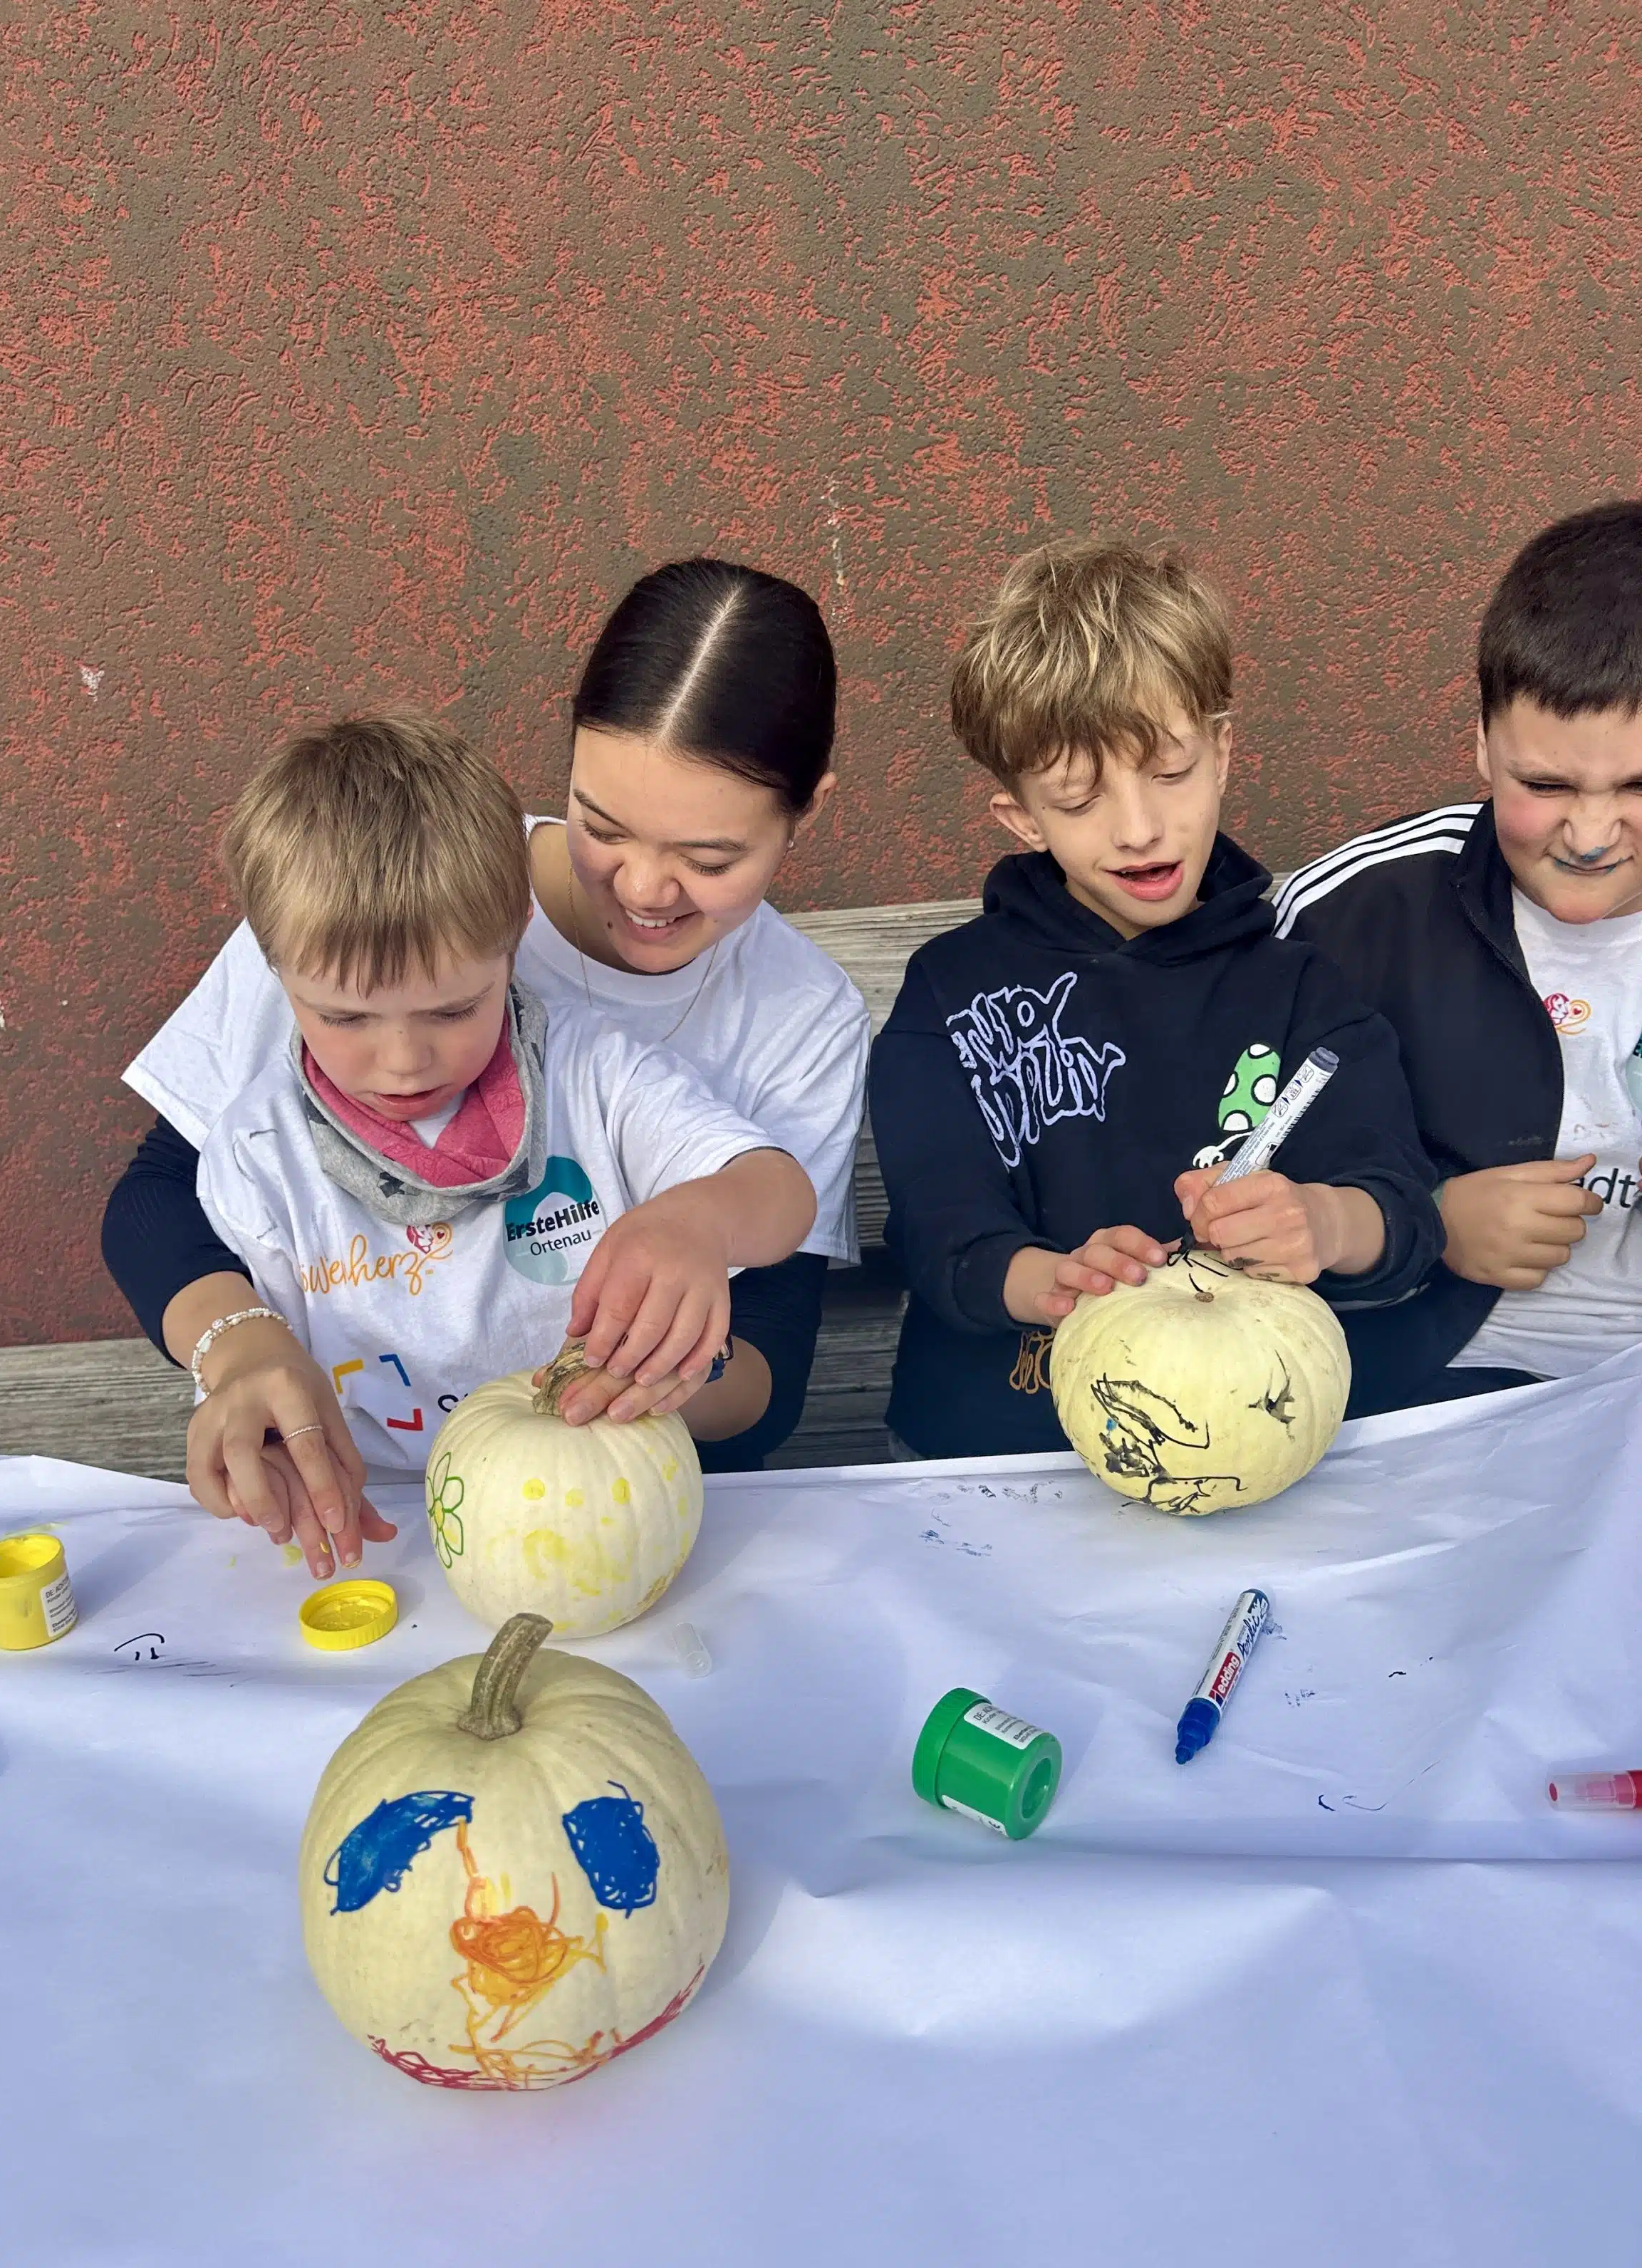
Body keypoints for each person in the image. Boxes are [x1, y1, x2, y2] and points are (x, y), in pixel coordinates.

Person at [103, 559, 869, 1575]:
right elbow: (165, 1190)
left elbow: (769, 1353)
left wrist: (634, 1365)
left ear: (805, 812)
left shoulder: (783, 1020)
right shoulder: (380, 881)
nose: (644, 888)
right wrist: (237, 1342)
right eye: (602, 826)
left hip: (610, 1511)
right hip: (367, 1521)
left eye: (710, 858)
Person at [868, 537, 1444, 1460]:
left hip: (1246, 1446)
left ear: (1221, 752)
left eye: (1169, 772)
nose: (1138, 829)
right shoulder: (950, 992)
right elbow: (939, 1230)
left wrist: (1324, 1222)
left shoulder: (1301, 991)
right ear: (1022, 817)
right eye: (1078, 799)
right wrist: (1052, 1279)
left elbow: (1403, 1214)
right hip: (990, 1452)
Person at [185, 708, 815, 1521]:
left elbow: (779, 1193)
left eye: (453, 1011)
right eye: (345, 1018)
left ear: (517, 937)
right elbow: (252, 1388)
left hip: (596, 1503)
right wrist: (258, 1437)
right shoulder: (257, 1151)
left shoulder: (597, 1078)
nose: (404, 1059)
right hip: (379, 1523)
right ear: (272, 969)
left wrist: (703, 1221)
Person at [1271, 501, 1642, 1410]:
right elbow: (1241, 1175)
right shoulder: (1351, 916)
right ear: (1480, 743)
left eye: (1638, 787)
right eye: (1545, 784)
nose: (1592, 835)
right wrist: (1434, 1221)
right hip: (1435, 1389)